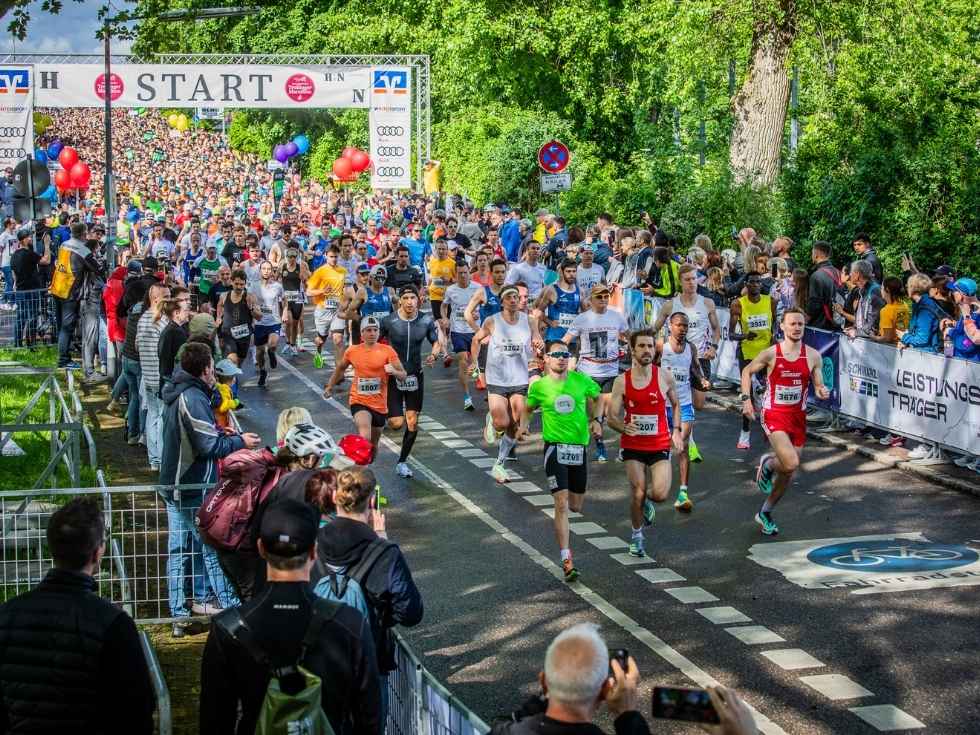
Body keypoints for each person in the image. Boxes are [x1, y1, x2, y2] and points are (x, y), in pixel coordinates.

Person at [201, 498, 382, 735]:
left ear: (261, 548)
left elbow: (214, 721)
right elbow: (369, 718)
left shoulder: (228, 628)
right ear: (313, 552)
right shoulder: (349, 622)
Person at [0, 498, 155, 734]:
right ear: (97, 552)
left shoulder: (7, 614)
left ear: (52, 547)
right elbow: (136, 710)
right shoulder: (113, 623)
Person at [160, 343, 261, 634]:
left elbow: (199, 435)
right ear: (205, 369)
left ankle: (180, 614)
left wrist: (218, 430)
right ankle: (232, 613)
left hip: (176, 483)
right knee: (211, 548)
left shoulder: (182, 390)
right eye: (211, 368)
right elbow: (207, 446)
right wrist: (241, 442)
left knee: (179, 549)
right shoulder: (192, 397)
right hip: (190, 484)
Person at [315, 468, 423, 723]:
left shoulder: (314, 543)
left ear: (334, 498)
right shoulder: (384, 553)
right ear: (372, 501)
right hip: (370, 661)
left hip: (318, 658)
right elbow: (410, 613)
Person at [741, 308, 830, 536]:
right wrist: (746, 400)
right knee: (790, 463)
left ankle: (765, 512)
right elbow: (746, 371)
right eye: (792, 324)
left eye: (800, 324)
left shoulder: (812, 356)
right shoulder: (772, 353)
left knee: (789, 471)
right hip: (773, 413)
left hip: (797, 417)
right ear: (782, 326)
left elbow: (818, 381)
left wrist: (821, 390)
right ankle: (769, 464)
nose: (797, 328)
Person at [522, 341, 600, 582]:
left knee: (576, 505)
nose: (561, 358)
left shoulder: (581, 380)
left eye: (565, 354)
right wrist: (524, 425)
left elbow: (598, 397)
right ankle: (566, 558)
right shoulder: (540, 387)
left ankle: (566, 551)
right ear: (546, 358)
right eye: (556, 354)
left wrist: (597, 419)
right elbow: (528, 408)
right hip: (554, 448)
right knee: (562, 503)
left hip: (578, 448)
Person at [607, 329, 683, 558]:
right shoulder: (622, 381)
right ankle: (636, 537)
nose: (647, 350)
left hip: (659, 443)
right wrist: (622, 427)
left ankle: (646, 504)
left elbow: (676, 405)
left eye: (650, 346)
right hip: (633, 445)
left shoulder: (664, 376)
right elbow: (612, 417)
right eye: (641, 346)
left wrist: (677, 431)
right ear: (633, 350)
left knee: (659, 494)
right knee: (638, 492)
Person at [472, 284, 542, 483]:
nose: (514, 300)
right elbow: (477, 340)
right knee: (502, 422)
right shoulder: (492, 321)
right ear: (502, 301)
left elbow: (537, 337)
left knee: (518, 420)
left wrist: (538, 343)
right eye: (509, 297)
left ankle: (500, 463)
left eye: (516, 297)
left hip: (519, 377)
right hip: (497, 377)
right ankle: (493, 420)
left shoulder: (529, 320)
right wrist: (476, 364)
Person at [381, 286, 444, 478]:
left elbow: (436, 341)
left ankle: (402, 461)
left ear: (419, 300)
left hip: (415, 376)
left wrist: (434, 355)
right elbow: (374, 341)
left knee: (412, 421)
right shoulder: (389, 321)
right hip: (393, 377)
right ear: (400, 300)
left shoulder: (425, 320)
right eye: (406, 298)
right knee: (396, 423)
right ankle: (386, 415)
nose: (409, 301)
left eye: (413, 298)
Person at [562, 283, 629, 463]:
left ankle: (622, 445)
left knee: (609, 413)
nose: (603, 300)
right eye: (599, 297)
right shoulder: (582, 319)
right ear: (591, 299)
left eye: (606, 296)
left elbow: (629, 336)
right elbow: (566, 340)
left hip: (610, 369)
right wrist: (559, 355)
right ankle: (600, 445)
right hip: (588, 371)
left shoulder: (617, 317)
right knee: (594, 414)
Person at [325, 316, 407, 457]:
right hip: (359, 401)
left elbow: (403, 375)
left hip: (380, 405)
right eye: (368, 330)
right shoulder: (352, 351)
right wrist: (329, 386)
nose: (372, 333)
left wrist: (393, 371)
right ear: (362, 334)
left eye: (375, 330)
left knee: (373, 447)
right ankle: (358, 472)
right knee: (365, 436)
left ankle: (365, 470)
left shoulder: (388, 351)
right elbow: (340, 368)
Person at [656, 313, 710, 513]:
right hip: (663, 404)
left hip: (684, 403)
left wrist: (702, 380)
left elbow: (694, 369)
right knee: (661, 446)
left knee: (683, 445)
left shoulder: (690, 348)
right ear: (670, 326)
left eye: (686, 326)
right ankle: (658, 482)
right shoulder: (661, 346)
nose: (683, 329)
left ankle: (683, 493)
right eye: (679, 325)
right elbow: (649, 368)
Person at [650, 263, 720, 410]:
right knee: (673, 400)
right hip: (675, 357)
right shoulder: (670, 305)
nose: (692, 283)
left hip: (700, 357)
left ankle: (683, 426)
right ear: (680, 281)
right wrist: (643, 343)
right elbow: (655, 328)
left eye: (694, 279)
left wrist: (714, 347)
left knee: (699, 405)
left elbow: (716, 329)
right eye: (687, 279)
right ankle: (678, 428)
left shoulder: (707, 303)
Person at [728, 272, 776, 450]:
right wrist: (745, 335)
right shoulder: (738, 304)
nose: (755, 285)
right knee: (747, 395)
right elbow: (731, 334)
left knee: (768, 393)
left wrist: (774, 338)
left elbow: (775, 324)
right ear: (746, 284)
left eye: (758, 282)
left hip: (767, 353)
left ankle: (769, 429)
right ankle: (745, 433)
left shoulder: (770, 301)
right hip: (747, 354)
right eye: (752, 282)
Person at [49, 222, 104, 369]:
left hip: (57, 288)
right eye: (86, 233)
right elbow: (98, 269)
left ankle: (62, 355)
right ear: (82, 234)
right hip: (69, 292)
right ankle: (64, 360)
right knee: (67, 328)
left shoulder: (64, 244)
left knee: (62, 326)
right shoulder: (82, 250)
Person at [136, 282, 171, 471]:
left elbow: (136, 345)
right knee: (162, 419)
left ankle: (154, 460)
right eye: (166, 297)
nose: (170, 300)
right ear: (155, 299)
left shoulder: (143, 319)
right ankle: (162, 458)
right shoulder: (161, 320)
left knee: (152, 416)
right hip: (160, 378)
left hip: (148, 377)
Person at [441, 260, 481, 411]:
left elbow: (486, 306)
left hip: (475, 330)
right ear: (455, 274)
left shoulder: (478, 288)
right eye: (460, 273)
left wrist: (478, 313)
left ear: (469, 272)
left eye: (465, 272)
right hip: (457, 330)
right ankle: (467, 397)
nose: (463, 276)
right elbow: (444, 306)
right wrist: (445, 318)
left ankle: (477, 368)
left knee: (475, 360)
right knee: (463, 360)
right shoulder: (451, 290)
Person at [306, 245, 348, 369]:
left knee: (338, 339)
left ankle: (338, 370)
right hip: (323, 310)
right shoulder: (320, 271)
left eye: (336, 256)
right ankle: (318, 350)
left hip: (337, 311)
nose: (334, 259)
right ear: (325, 256)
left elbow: (345, 289)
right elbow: (308, 292)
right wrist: (322, 291)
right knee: (321, 339)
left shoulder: (342, 271)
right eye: (331, 257)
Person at [10, 226, 51, 347]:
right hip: (31, 290)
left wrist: (16, 285)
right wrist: (47, 245)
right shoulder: (29, 254)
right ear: (23, 240)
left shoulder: (14, 255)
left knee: (20, 317)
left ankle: (17, 344)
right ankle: (31, 344)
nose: (30, 238)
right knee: (32, 317)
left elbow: (14, 276)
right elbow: (46, 260)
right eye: (28, 237)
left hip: (20, 290)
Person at [215, 268, 262, 367]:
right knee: (232, 360)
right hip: (228, 334)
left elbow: (259, 317)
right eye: (236, 284)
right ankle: (231, 379)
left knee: (239, 363)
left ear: (245, 283)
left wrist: (251, 308)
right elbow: (219, 306)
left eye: (242, 284)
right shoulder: (224, 296)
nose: (239, 287)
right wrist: (219, 317)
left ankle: (234, 377)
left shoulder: (250, 297)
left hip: (244, 335)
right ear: (231, 282)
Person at [251, 260, 284, 386]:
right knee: (259, 352)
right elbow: (250, 301)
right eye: (263, 269)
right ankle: (263, 370)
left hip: (274, 322)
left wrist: (285, 312)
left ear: (272, 271)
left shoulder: (278, 286)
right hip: (259, 323)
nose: (266, 271)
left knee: (272, 345)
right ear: (260, 271)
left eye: (268, 269)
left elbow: (284, 301)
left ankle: (272, 353)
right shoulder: (254, 286)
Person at [897, 272, 945, 353]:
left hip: (929, 355)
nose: (906, 288)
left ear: (913, 288)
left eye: (907, 286)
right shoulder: (919, 304)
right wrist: (906, 342)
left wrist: (904, 337)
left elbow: (922, 340)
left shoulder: (925, 309)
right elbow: (916, 331)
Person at [806, 240, 843, 331]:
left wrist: (806, 318)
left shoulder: (817, 275)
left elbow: (814, 304)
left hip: (820, 325)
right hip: (838, 323)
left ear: (816, 254)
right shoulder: (839, 272)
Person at [279, 246, 309, 355]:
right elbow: (276, 278)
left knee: (296, 324)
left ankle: (293, 344)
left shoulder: (300, 266)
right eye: (290, 256)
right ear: (286, 257)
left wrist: (304, 279)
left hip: (297, 298)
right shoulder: (282, 266)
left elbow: (306, 281)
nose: (292, 259)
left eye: (294, 257)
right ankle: (287, 342)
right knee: (288, 322)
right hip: (286, 298)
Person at [212, 358, 243, 429]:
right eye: (234, 376)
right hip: (221, 421)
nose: (235, 379)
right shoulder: (224, 389)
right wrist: (235, 402)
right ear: (230, 378)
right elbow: (223, 407)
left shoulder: (218, 386)